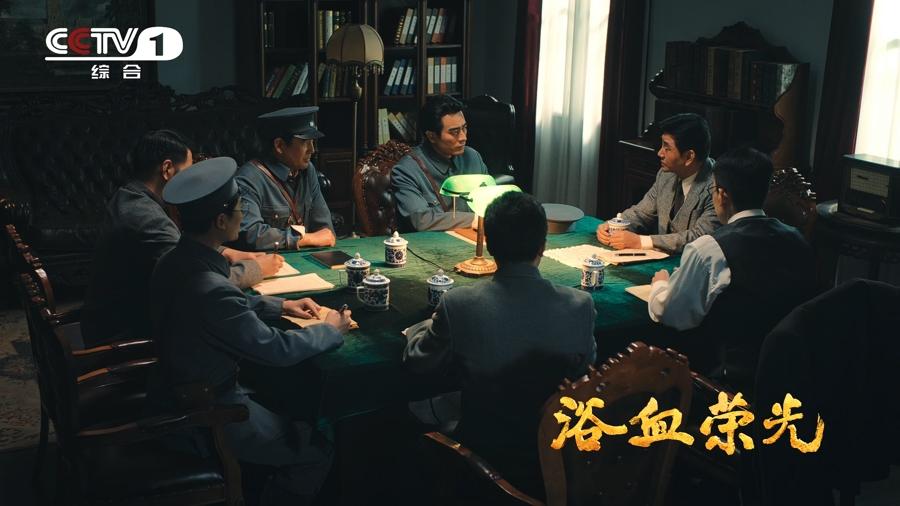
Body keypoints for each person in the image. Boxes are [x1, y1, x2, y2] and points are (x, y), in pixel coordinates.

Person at [147, 156, 353, 506]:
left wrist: (281, 306)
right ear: (220, 221)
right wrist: (331, 329)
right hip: (209, 412)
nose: (243, 216)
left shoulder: (176, 260)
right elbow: (276, 349)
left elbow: (219, 311)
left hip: (172, 389)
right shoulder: (210, 288)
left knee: (291, 402)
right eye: (240, 209)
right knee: (318, 449)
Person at [403, 191, 597, 492]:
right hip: (557, 456)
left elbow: (419, 362)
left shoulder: (459, 304)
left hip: (484, 459)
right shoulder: (580, 305)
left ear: (489, 245)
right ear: (543, 245)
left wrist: (417, 330)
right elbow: (584, 373)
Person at [81, 130, 282, 347]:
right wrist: (257, 269)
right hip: (127, 334)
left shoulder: (130, 196)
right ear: (167, 169)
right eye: (188, 171)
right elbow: (200, 282)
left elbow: (179, 248)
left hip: (115, 319)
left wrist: (228, 252)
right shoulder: (147, 218)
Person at [647, 147, 815, 394]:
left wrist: (660, 285)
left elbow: (673, 314)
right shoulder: (797, 239)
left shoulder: (710, 248)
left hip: (727, 383)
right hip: (792, 375)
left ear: (722, 194)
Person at [597, 113, 720, 253]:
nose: (660, 153)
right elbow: (641, 213)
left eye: (667, 148)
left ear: (689, 156)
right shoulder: (666, 174)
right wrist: (613, 225)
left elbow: (699, 237)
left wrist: (640, 241)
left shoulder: (718, 186)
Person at [235, 107, 335, 251]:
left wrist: (321, 237)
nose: (312, 150)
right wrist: (304, 239)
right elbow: (250, 234)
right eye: (305, 142)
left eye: (312, 142)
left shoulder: (307, 170)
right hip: (269, 260)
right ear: (279, 145)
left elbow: (325, 230)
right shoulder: (248, 179)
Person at [391, 94, 489, 231]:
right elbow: (422, 220)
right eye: (454, 132)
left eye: (464, 128)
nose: (463, 137)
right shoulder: (407, 170)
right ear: (431, 136)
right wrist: (475, 219)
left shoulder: (473, 158)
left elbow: (490, 204)